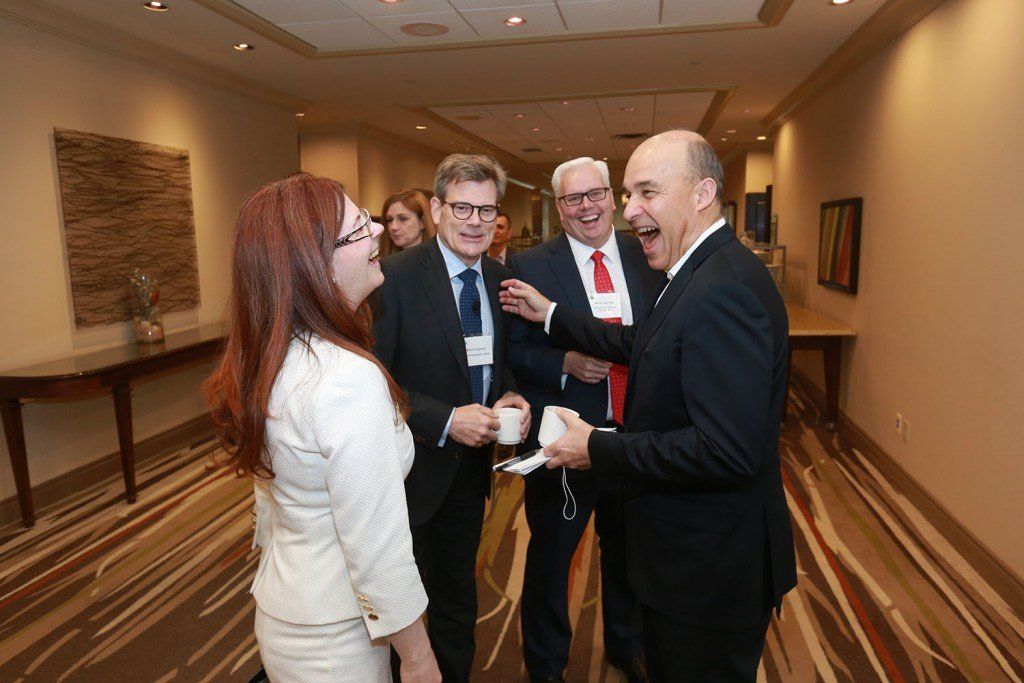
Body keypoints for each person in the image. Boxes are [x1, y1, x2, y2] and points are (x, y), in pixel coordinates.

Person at [500, 130, 797, 681]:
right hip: (690, 559)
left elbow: (725, 451)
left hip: (707, 569)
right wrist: (553, 317)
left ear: (703, 192)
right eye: (629, 193)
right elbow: (641, 345)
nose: (629, 209)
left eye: (646, 192)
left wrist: (599, 446)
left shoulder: (721, 289)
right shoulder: (695, 274)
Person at [203, 173, 440, 683]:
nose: (379, 231)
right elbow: (376, 542)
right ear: (315, 264)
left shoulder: (269, 354)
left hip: (289, 609)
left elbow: (273, 498)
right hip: (339, 635)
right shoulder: (344, 378)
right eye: (360, 229)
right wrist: (418, 656)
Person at [373, 154, 531, 682]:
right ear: (437, 209)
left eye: (487, 211)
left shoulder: (498, 278)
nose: (475, 221)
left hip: (470, 473)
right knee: (405, 610)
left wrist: (508, 395)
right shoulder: (392, 279)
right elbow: (377, 381)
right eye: (463, 207)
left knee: (459, 601)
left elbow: (490, 362)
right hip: (408, 475)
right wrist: (444, 420)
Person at [507, 157, 661, 683]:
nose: (587, 206)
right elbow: (515, 354)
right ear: (559, 208)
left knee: (631, 553)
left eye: (595, 194)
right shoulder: (531, 268)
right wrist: (564, 363)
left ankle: (626, 645)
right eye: (573, 199)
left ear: (613, 199)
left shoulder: (649, 257)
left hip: (637, 438)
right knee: (551, 560)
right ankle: (546, 665)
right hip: (567, 441)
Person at [381, 189, 437, 257]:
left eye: (403, 219)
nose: (393, 227)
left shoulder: (439, 261)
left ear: (423, 222)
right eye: (389, 220)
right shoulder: (383, 263)